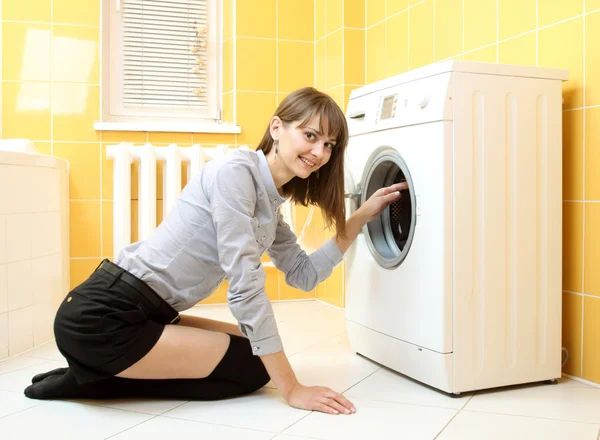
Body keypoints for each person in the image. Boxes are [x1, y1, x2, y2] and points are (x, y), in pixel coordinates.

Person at [24, 87, 407, 415]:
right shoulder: (234, 173)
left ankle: (100, 372)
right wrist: (292, 388)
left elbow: (304, 276)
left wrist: (357, 219)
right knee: (256, 368)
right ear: (277, 128)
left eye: (328, 145)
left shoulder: (269, 204)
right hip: (104, 316)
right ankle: (96, 381)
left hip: (148, 314)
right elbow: (244, 285)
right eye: (310, 136)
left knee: (252, 354)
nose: (319, 152)